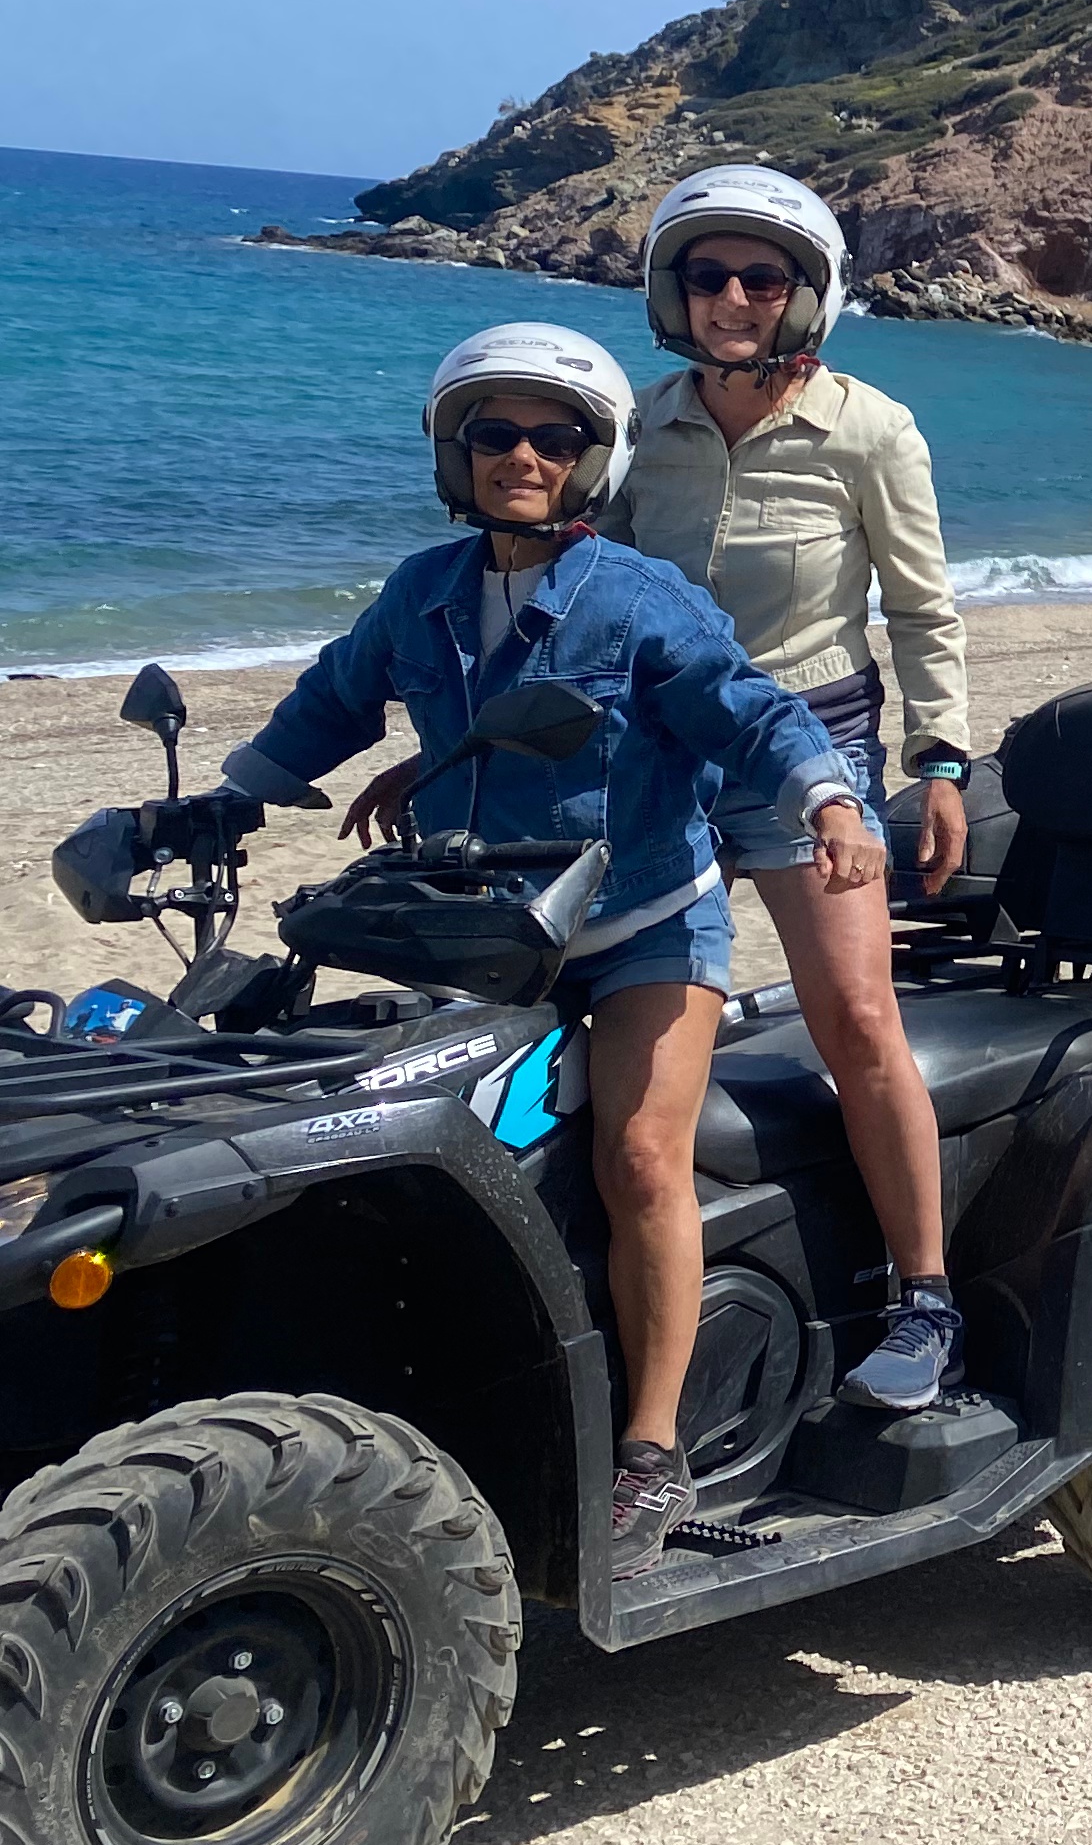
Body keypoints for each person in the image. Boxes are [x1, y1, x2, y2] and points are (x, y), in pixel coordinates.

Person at [223, 324, 865, 1579]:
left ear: (594, 458)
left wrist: (829, 800)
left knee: (637, 1155)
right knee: (405, 1138)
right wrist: (225, 798)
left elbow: (748, 710)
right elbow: (331, 700)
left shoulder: (639, 599)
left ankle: (651, 1452)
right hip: (492, 928)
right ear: (454, 454)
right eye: (494, 434)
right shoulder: (423, 592)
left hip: (643, 926)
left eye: (552, 436)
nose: (521, 456)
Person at [611, 165, 978, 1410]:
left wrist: (938, 763)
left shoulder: (869, 429)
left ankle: (925, 1298)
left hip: (810, 748)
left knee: (858, 1021)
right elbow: (584, 600)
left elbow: (924, 612)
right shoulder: (638, 428)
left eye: (761, 279)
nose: (731, 299)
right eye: (707, 275)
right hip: (661, 757)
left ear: (805, 297)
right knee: (596, 1015)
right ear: (675, 290)